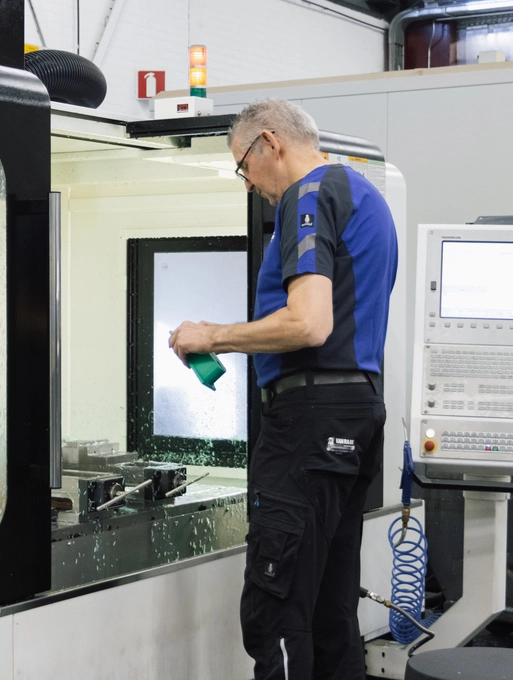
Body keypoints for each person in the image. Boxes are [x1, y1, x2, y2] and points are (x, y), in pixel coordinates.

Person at [168, 98, 398, 679]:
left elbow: (309, 323)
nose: (248, 184)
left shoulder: (308, 196)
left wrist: (213, 336)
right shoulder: (365, 195)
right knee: (330, 613)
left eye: (243, 166)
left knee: (277, 610)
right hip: (355, 414)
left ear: (270, 142)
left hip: (309, 423)